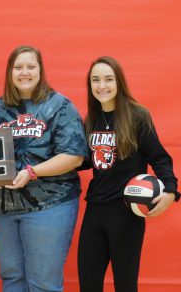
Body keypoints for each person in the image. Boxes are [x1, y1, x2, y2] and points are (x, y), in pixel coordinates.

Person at [0, 45, 89, 292]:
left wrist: (32, 172)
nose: (24, 72)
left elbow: (73, 156)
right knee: (12, 280)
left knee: (43, 284)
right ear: (10, 72)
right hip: (1, 209)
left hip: (49, 205)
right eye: (18, 67)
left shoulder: (60, 106)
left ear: (41, 70)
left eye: (31, 66)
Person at [77, 56, 180, 292]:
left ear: (119, 82)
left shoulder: (137, 116)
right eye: (95, 80)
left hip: (126, 214)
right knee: (89, 285)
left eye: (108, 79)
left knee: (125, 285)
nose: (102, 86)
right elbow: (82, 161)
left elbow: (159, 157)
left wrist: (171, 190)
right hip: (95, 209)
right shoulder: (90, 119)